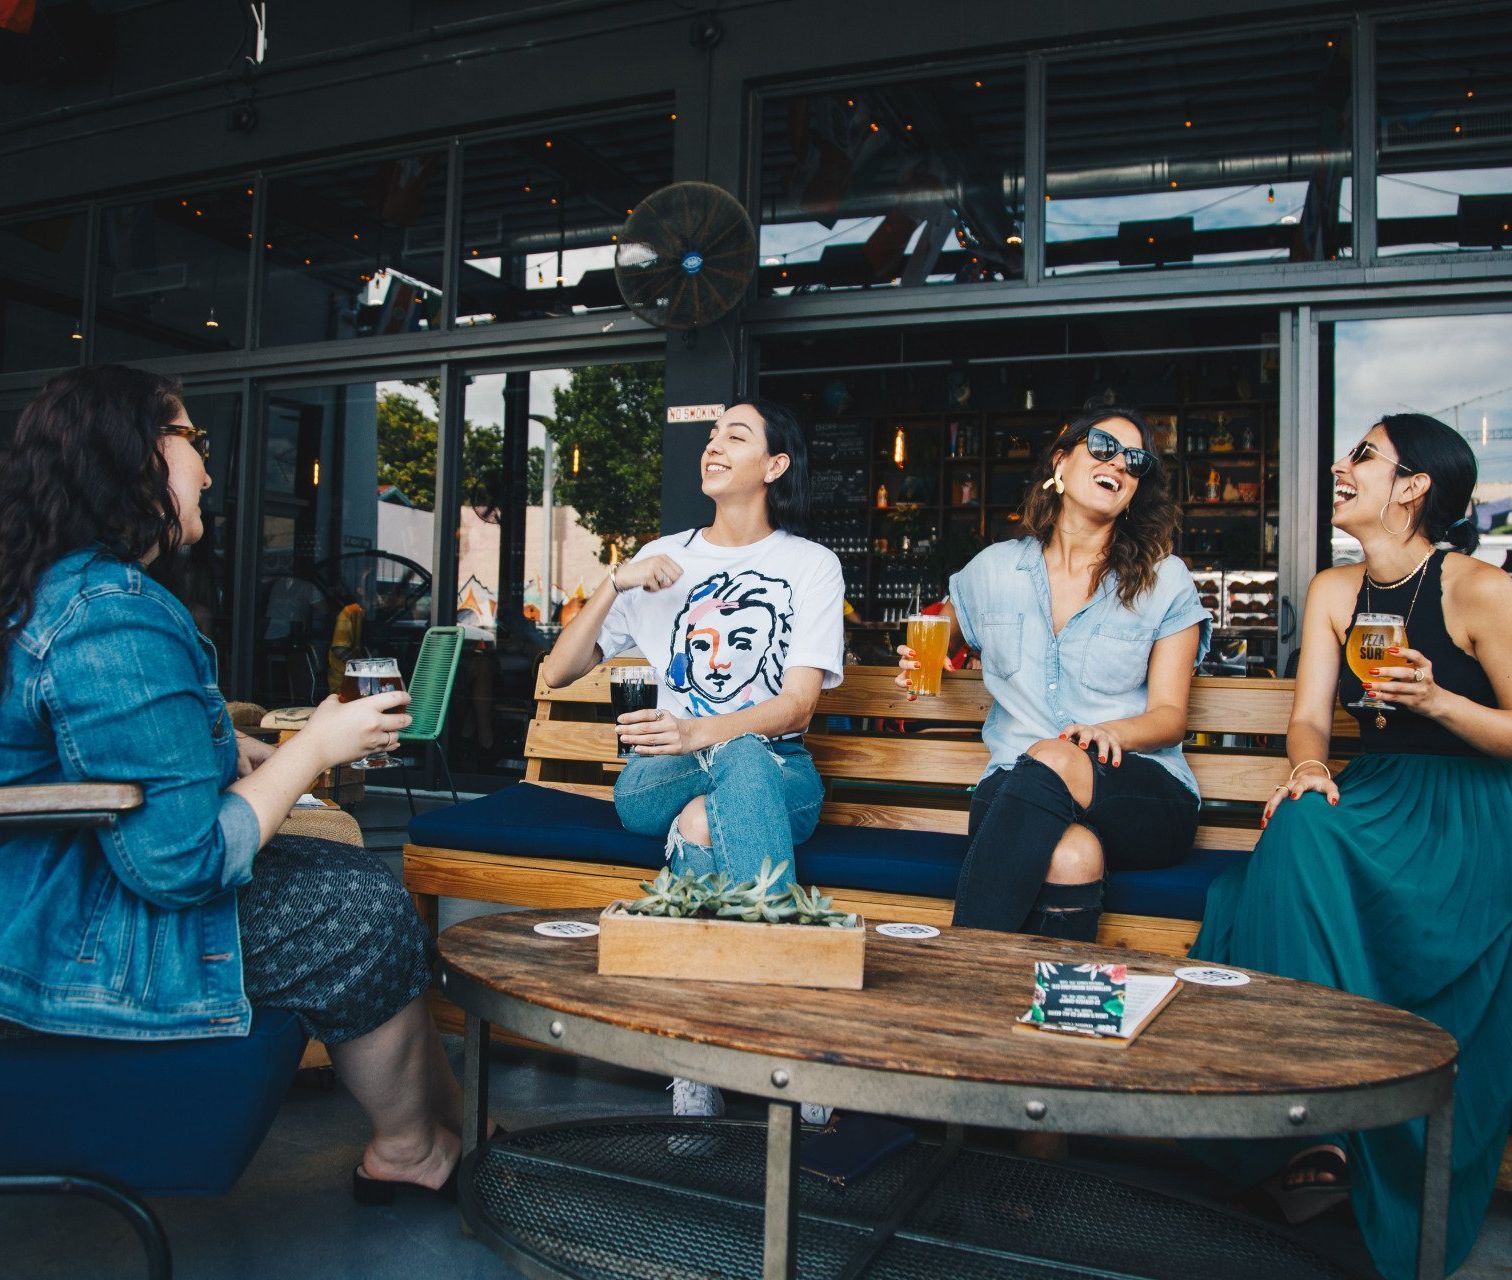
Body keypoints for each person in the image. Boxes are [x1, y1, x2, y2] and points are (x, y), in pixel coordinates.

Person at [0, 366, 476, 1202]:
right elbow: (178, 861)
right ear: (137, 453)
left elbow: (109, 756)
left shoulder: (64, 588)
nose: (210, 473)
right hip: (62, 929)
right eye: (196, 442)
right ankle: (412, 1149)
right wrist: (314, 748)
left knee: (356, 881)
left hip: (54, 887)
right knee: (358, 910)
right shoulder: (110, 610)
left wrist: (244, 748)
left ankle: (452, 1128)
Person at [1190, 414, 1512, 1280]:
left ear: (1413, 488)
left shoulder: (1483, 590)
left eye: (1363, 456)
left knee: (1284, 867)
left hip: (1468, 809)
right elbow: (1309, 715)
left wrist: (1441, 702)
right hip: (1370, 792)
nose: (1341, 465)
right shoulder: (1337, 591)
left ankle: (1350, 1132)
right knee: (1299, 824)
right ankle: (1306, 1129)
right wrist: (1303, 766)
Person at [541, 400, 845, 1123]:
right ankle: (786, 1030)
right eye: (711, 436)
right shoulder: (661, 558)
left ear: (773, 466)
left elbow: (798, 705)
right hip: (656, 777)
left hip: (777, 773)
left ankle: (696, 1061)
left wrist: (702, 730)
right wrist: (616, 579)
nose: (714, 446)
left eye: (735, 436)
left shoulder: (809, 566)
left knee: (708, 817)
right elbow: (556, 671)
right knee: (715, 769)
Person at [899, 407, 1210, 942]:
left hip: (1136, 789)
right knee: (1071, 855)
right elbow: (938, 637)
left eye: (1135, 462)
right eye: (1104, 446)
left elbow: (1169, 718)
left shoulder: (1165, 580)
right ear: (1062, 461)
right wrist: (920, 661)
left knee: (1057, 755)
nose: (1120, 463)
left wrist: (1109, 733)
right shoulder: (993, 570)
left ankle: (959, 963)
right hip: (1016, 789)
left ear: (1135, 491)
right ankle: (1054, 1011)